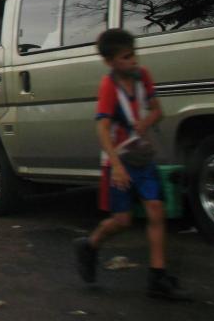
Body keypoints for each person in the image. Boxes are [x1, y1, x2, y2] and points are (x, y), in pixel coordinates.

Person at [74, 29, 190, 301]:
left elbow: (158, 110)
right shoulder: (108, 87)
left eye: (133, 54)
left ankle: (157, 276)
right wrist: (116, 167)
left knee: (156, 209)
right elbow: (102, 129)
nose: (133, 61)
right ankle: (89, 246)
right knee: (122, 220)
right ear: (110, 62)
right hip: (119, 160)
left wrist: (146, 122)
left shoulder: (143, 77)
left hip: (141, 156)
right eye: (126, 57)